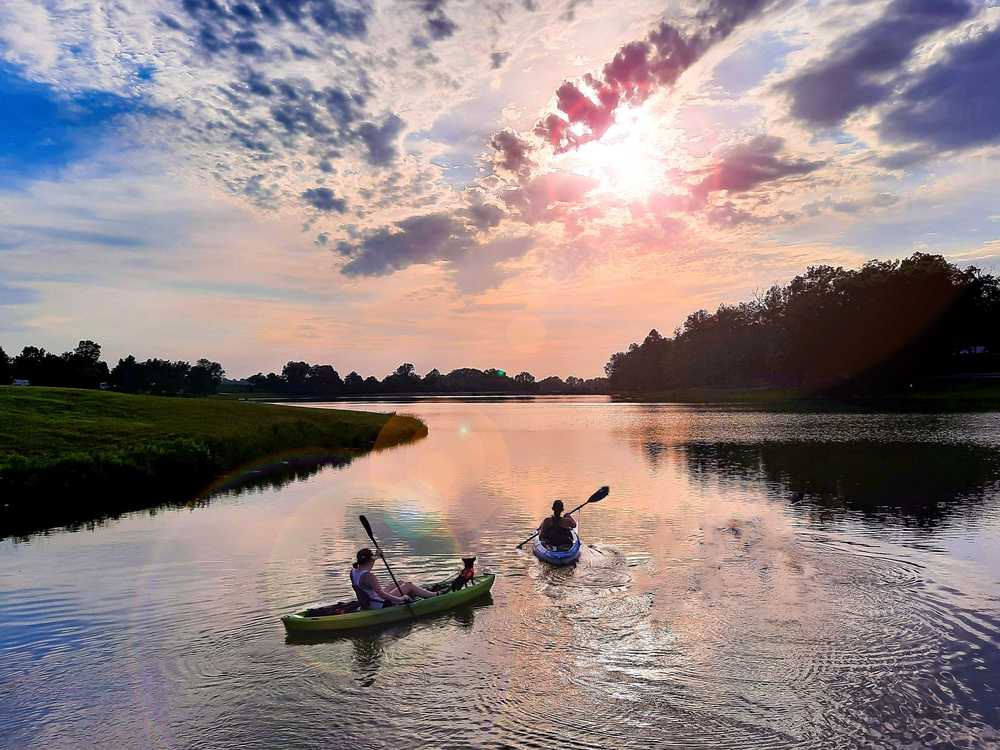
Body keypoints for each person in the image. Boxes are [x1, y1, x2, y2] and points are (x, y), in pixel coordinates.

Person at [350, 548, 442, 609]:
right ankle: (435, 595)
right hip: (379, 604)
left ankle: (414, 597)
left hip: (370, 601)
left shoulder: (353, 571)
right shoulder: (370, 576)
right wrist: (400, 599)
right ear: (370, 560)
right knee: (408, 585)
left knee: (400, 582)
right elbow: (382, 595)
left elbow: (367, 565)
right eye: (372, 558)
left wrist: (377, 556)